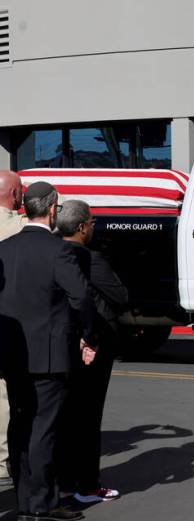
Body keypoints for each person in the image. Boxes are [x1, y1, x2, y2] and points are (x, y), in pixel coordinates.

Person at [0, 181, 98, 520]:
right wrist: (88, 335)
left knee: (20, 425)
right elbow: (81, 297)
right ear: (53, 209)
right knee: (44, 429)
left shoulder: (6, 248)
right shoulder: (58, 251)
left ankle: (26, 499)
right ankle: (42, 502)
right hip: (50, 355)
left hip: (12, 353)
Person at [55, 201, 128, 503]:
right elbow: (120, 295)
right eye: (93, 222)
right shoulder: (89, 258)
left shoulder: (52, 253)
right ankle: (86, 484)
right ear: (82, 226)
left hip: (59, 343)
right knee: (88, 415)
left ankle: (63, 481)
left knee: (63, 416)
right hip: (92, 343)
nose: (95, 227)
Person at [0, 169, 26, 489]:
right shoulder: (14, 226)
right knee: (4, 394)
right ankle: (3, 458)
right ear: (15, 195)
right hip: (6, 318)